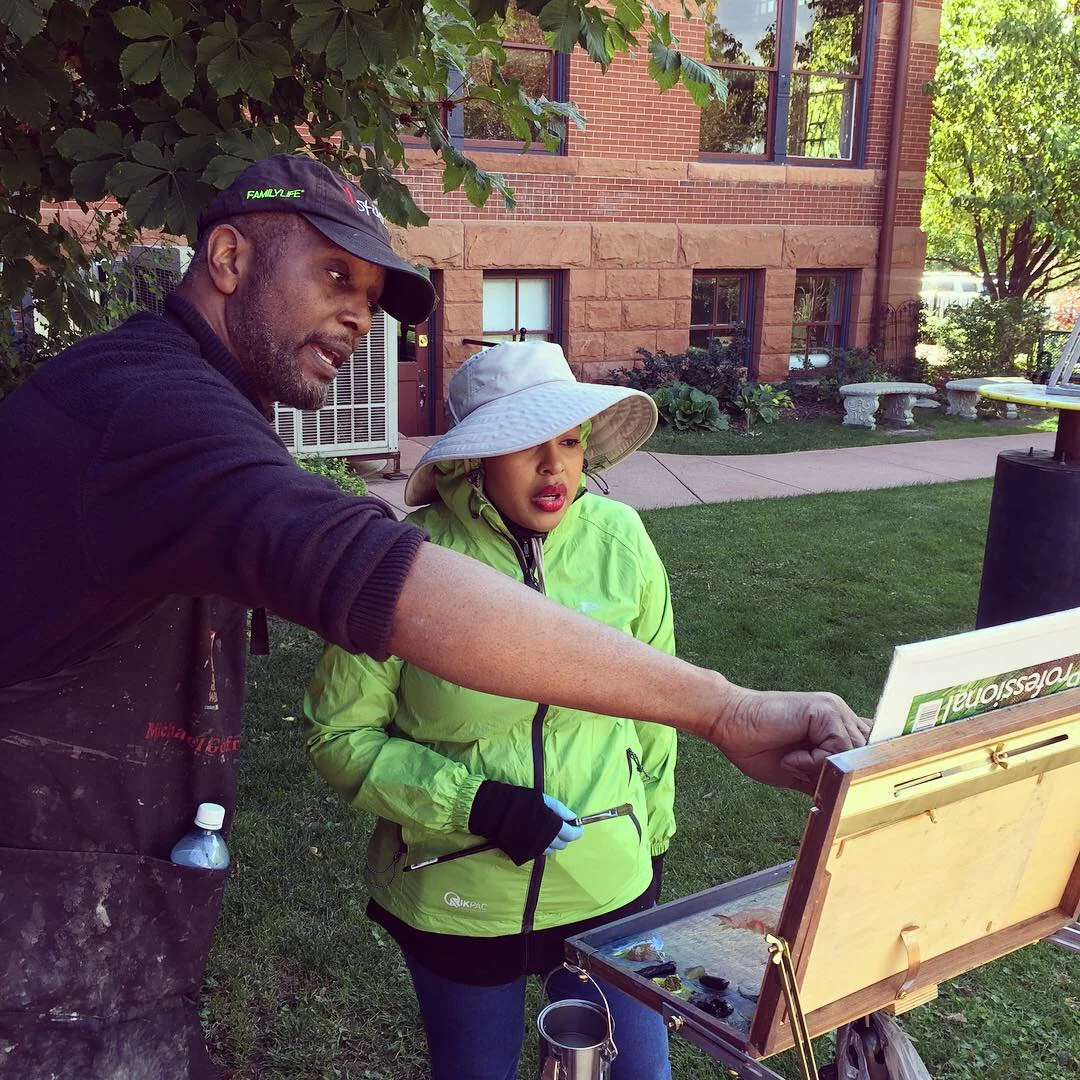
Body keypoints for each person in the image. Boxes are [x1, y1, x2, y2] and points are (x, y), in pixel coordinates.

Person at [0, 152, 866, 1080]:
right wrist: (725, 710)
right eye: (334, 274)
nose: (357, 315)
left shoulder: (184, 394)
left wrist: (646, 838)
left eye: (370, 293)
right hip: (39, 904)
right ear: (226, 257)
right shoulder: (150, 403)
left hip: (101, 900)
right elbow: (359, 572)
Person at [305, 341, 678, 1078]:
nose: (556, 467)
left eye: (569, 441)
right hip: (458, 889)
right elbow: (338, 733)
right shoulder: (403, 567)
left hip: (609, 881)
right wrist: (476, 804)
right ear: (472, 461)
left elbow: (657, 704)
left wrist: (654, 842)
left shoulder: (622, 542)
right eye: (525, 445)